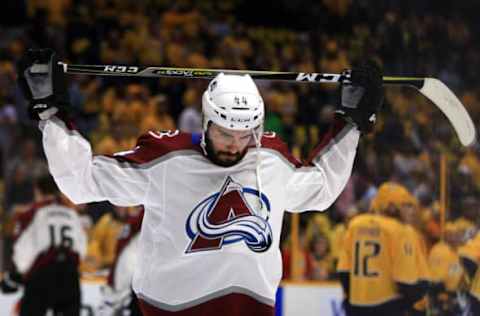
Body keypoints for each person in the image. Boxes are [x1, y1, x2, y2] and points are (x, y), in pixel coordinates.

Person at [17, 48, 383, 316]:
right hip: (171, 310)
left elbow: (320, 190)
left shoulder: (269, 158)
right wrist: (50, 112)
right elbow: (81, 182)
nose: (235, 145)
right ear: (205, 122)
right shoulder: (165, 158)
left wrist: (350, 122)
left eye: (245, 135)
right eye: (225, 134)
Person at [337, 182, 430, 316]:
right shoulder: (401, 231)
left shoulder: (355, 224)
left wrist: (355, 300)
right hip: (388, 306)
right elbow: (406, 283)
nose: (411, 210)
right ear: (392, 207)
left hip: (356, 306)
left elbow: (344, 272)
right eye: (406, 205)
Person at [0, 174, 87, 316]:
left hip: (42, 274)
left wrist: (19, 274)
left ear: (38, 191)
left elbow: (22, 249)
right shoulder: (72, 214)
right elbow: (82, 247)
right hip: (70, 275)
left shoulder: (32, 213)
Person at [100, 206, 144, 316]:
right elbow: (125, 257)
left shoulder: (135, 223)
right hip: (128, 286)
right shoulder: (134, 223)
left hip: (126, 286)